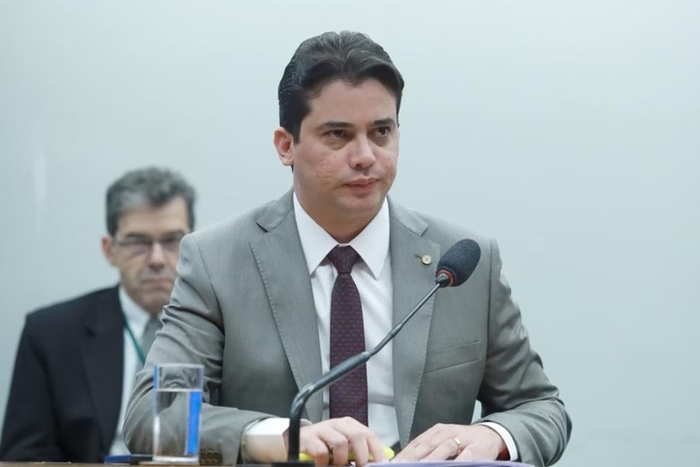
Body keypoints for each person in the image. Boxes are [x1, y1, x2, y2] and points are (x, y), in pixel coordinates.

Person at [123, 31, 572, 467]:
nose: (365, 156)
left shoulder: (462, 264)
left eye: (381, 132)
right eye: (338, 135)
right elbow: (156, 416)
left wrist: (492, 435)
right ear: (286, 146)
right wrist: (281, 437)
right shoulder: (217, 261)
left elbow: (540, 408)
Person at [0, 167, 196, 462]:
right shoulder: (51, 334)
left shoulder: (225, 328)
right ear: (109, 250)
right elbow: (24, 455)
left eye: (172, 241)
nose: (157, 259)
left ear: (194, 246)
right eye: (138, 242)